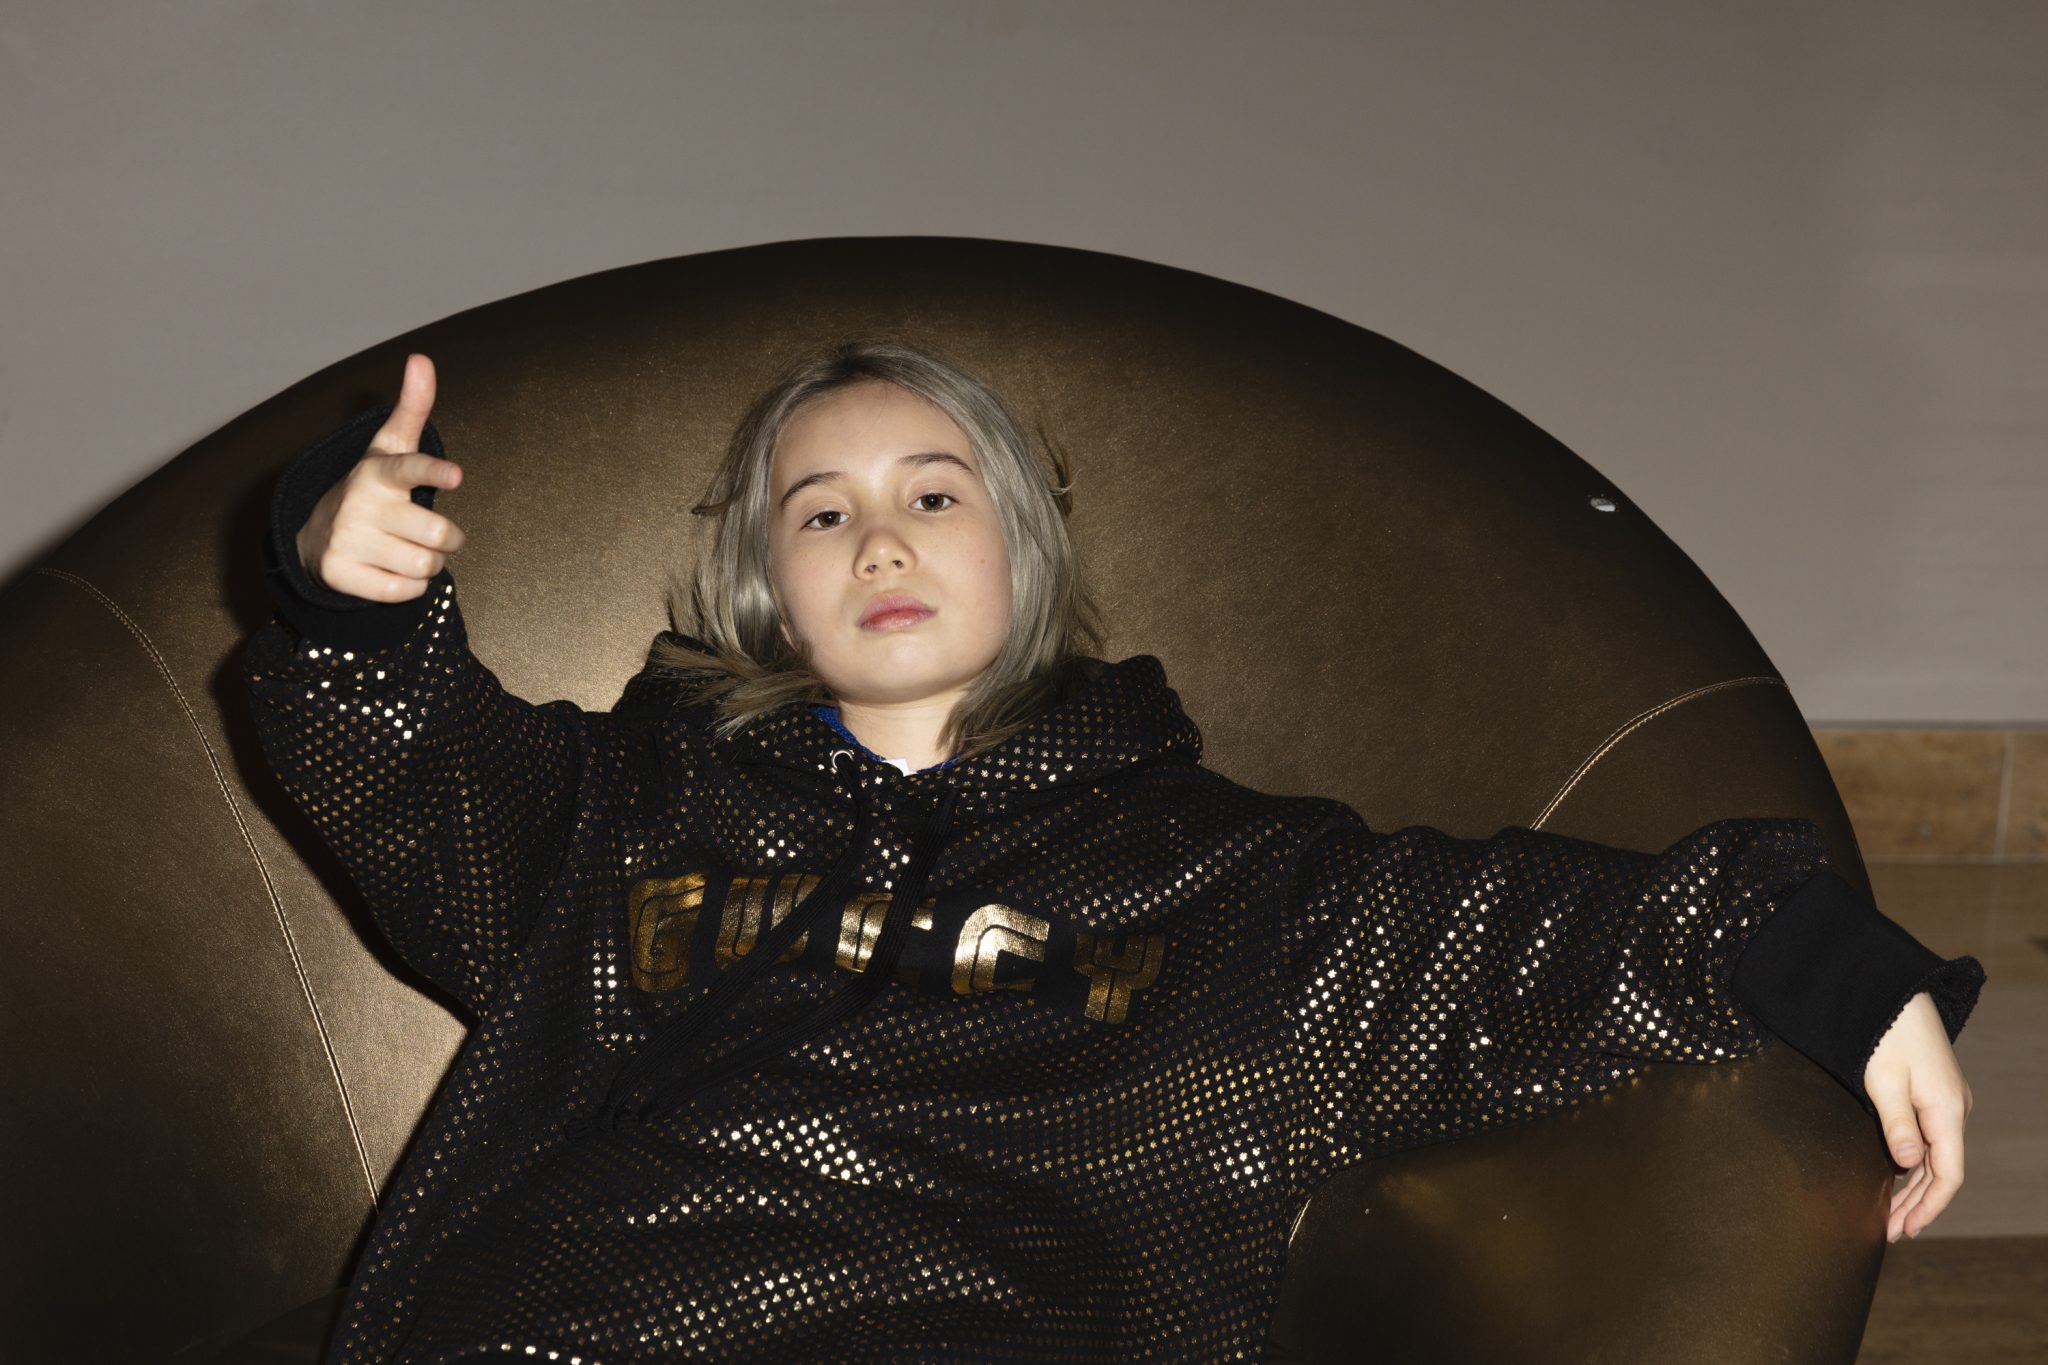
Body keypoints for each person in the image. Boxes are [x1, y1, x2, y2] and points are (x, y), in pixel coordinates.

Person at [244, 341, 1984, 1363]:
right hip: (584, 1316)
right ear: (767, 591)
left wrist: (1826, 964)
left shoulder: (1219, 877)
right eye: (820, 512)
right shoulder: (622, 810)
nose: (878, 538)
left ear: (1027, 552)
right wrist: (350, 596)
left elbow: (1500, 935)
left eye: (935, 493)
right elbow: (410, 771)